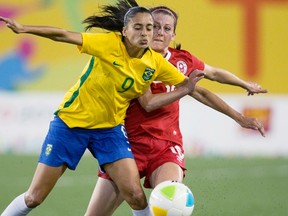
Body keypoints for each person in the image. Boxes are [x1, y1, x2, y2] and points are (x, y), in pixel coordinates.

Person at [0, 2, 205, 216]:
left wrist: (235, 115)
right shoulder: (108, 43)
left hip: (109, 130)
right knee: (34, 197)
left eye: (149, 27)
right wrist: (24, 28)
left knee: (135, 195)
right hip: (71, 124)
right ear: (125, 31)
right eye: (138, 27)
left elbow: (195, 88)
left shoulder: (153, 62)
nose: (145, 33)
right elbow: (63, 35)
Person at [83, 3, 268, 216]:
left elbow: (214, 73)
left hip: (165, 146)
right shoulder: (130, 58)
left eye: (167, 28)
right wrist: (186, 89)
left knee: (171, 203)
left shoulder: (182, 61)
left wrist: (243, 86)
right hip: (125, 145)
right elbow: (147, 103)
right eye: (155, 26)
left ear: (173, 34)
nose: (160, 32)